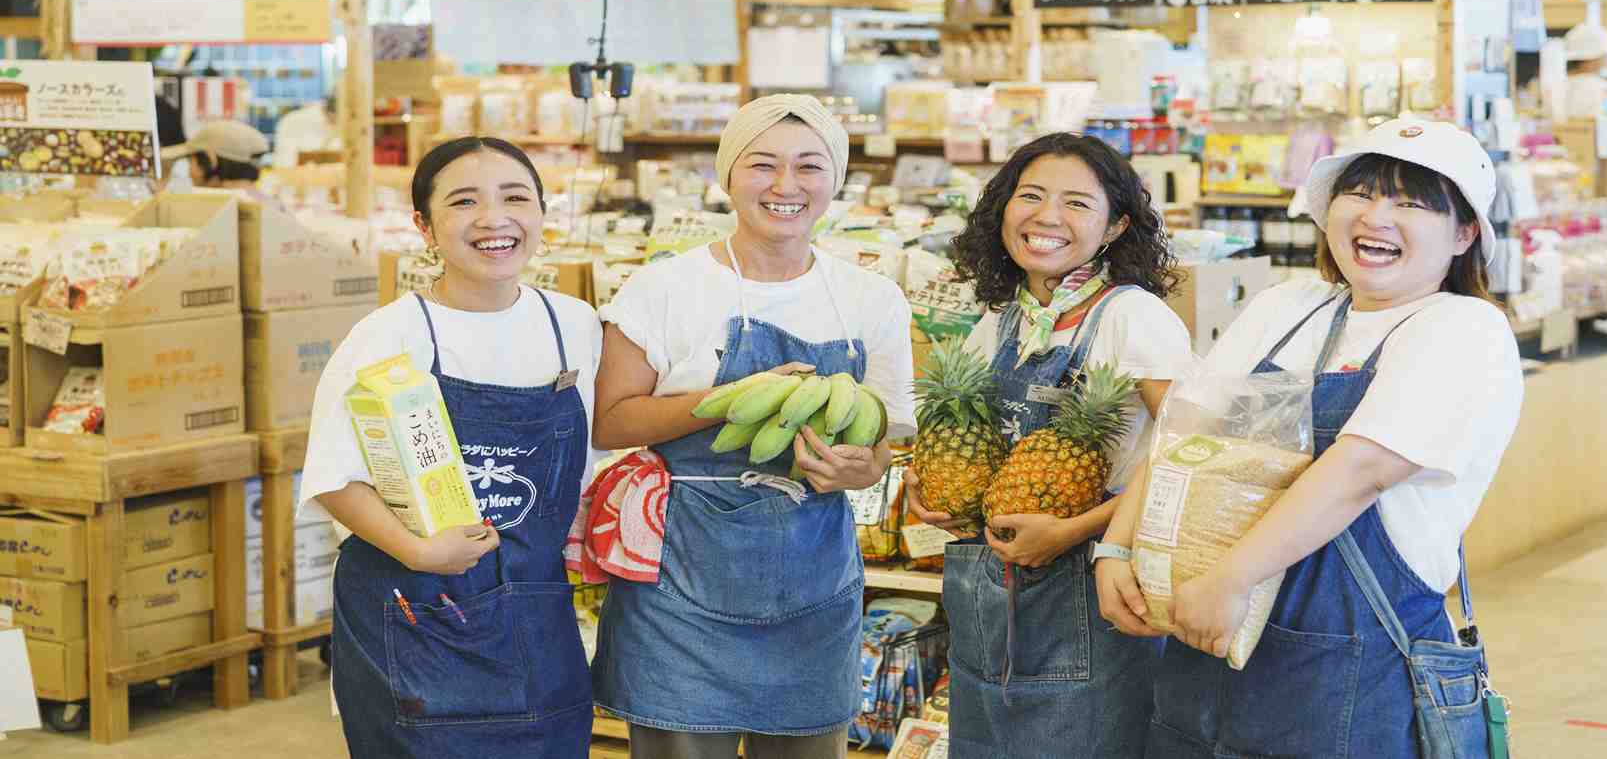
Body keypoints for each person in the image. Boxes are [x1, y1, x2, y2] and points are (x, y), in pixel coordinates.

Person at [1098, 118, 1522, 759]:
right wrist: (1117, 548)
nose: (1376, 217)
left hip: (1347, 667)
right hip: (1206, 639)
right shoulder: (1289, 306)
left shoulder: (1465, 331)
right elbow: (1187, 429)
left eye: (1410, 203)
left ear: (1464, 234)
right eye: (1361, 194)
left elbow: (1359, 471)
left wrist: (1232, 579)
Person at [591, 94, 914, 759]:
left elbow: (883, 439)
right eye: (762, 164)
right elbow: (610, 418)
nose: (785, 185)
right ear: (727, 175)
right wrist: (727, 399)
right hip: (679, 587)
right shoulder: (665, 288)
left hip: (813, 587)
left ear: (836, 178)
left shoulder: (869, 297)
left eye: (809, 166)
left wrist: (864, 467)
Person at [298, 136, 603, 759]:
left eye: (515, 197)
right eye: (464, 202)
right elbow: (334, 476)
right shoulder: (390, 334)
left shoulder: (573, 325)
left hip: (536, 607)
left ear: (542, 212)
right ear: (424, 227)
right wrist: (420, 549)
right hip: (418, 609)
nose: (494, 219)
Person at [908, 131, 1191, 759]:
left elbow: (1187, 454)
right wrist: (928, 484)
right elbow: (969, 433)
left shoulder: (1131, 317)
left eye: (1078, 204)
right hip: (987, 590)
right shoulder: (1001, 317)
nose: (1047, 218)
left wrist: (1075, 530)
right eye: (1029, 195)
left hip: (1092, 589)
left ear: (1116, 226)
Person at [163, 119, 268, 190]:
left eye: (191, 161)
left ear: (209, 161)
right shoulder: (267, 204)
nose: (190, 173)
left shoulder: (211, 212)